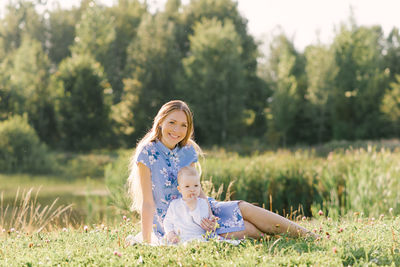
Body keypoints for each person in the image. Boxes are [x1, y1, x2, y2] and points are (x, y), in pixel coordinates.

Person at [128, 100, 316, 244]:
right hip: (175, 222)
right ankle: (282, 240)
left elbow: (197, 190)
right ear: (160, 122)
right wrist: (146, 242)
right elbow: (147, 202)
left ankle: (308, 236)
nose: (177, 130)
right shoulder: (148, 152)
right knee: (248, 229)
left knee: (243, 207)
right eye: (172, 122)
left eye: (184, 125)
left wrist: (208, 215)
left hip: (201, 210)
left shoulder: (187, 151)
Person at [163, 166, 212, 244]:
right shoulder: (174, 204)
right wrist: (170, 233)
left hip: (197, 237)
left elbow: (202, 223)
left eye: (196, 185)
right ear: (180, 189)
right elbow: (167, 221)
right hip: (178, 238)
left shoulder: (202, 203)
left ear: (200, 186)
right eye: (187, 186)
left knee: (199, 243)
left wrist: (193, 208)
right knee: (165, 242)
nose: (192, 189)